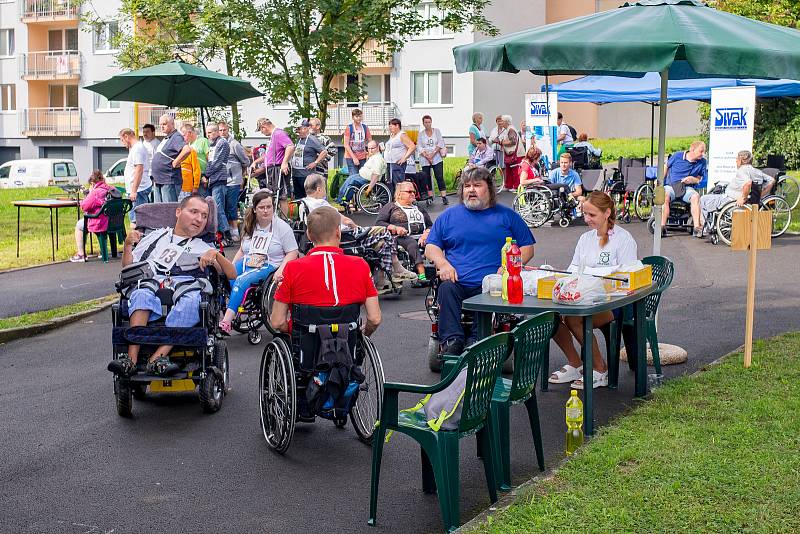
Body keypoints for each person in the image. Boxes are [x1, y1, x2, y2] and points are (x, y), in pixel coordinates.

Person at [108, 195, 237, 378]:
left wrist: (216, 255)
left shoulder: (204, 246)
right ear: (178, 212)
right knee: (140, 294)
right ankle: (131, 359)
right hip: (150, 284)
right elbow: (129, 267)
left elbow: (231, 274)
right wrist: (128, 246)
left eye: (204, 215)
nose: (199, 219)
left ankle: (157, 357)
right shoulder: (155, 237)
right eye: (194, 212)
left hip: (185, 289)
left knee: (193, 300)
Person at [425, 167, 535, 355]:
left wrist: (508, 267)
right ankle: (452, 342)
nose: (471, 190)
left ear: (489, 189)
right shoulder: (449, 216)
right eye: (467, 186)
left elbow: (527, 248)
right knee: (445, 288)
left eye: (477, 185)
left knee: (489, 294)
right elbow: (431, 247)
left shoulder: (506, 216)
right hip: (457, 281)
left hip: (492, 284)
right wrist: (442, 264)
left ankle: (477, 340)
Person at [548, 191, 638, 390]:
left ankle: (600, 369)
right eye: (585, 214)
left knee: (574, 318)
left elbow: (626, 278)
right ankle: (575, 363)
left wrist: (592, 277)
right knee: (551, 315)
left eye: (592, 215)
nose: (586, 219)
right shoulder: (585, 239)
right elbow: (573, 269)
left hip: (614, 302)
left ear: (607, 213)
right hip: (583, 297)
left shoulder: (624, 239)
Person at [270, 205, 381, 338]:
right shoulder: (361, 265)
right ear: (338, 232)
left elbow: (277, 322)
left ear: (309, 235)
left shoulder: (292, 268)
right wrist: (364, 334)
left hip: (306, 342)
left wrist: (290, 330)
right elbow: (374, 318)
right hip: (347, 339)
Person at [303, 174, 417, 294]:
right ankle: (395, 268)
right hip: (347, 235)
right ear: (319, 189)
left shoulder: (304, 203)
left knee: (382, 243)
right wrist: (357, 227)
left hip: (329, 235)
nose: (325, 192)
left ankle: (382, 280)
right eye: (324, 189)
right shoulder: (321, 203)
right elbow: (346, 221)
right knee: (383, 232)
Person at [218, 189, 299, 334]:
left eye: (269, 207)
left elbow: (292, 252)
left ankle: (226, 321)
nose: (266, 211)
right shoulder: (250, 224)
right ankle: (234, 304)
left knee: (241, 280)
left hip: (269, 264)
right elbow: (243, 250)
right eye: (262, 207)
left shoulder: (282, 228)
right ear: (255, 209)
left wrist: (281, 269)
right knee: (225, 275)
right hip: (249, 260)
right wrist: (230, 266)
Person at [699, 149, 771, 236]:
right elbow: (771, 180)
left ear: (741, 160)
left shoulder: (742, 170)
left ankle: (705, 228)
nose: (736, 160)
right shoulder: (756, 171)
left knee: (703, 199)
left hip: (730, 199)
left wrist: (743, 197)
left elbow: (748, 183)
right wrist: (760, 195)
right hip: (741, 199)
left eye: (737, 158)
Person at [376, 182, 433, 282]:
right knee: (412, 244)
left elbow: (430, 225)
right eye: (409, 191)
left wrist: (426, 234)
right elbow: (379, 222)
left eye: (414, 192)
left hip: (421, 237)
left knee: (437, 243)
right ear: (399, 194)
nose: (412, 194)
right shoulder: (391, 207)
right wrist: (395, 228)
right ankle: (422, 275)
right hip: (401, 237)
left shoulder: (419, 208)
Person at [662, 140, 707, 237]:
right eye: (701, 151)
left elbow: (702, 179)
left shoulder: (702, 162)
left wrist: (693, 179)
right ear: (692, 149)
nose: (703, 154)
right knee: (665, 195)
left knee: (695, 196)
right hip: (672, 186)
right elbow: (666, 167)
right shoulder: (677, 156)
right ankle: (662, 226)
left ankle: (696, 228)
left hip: (687, 188)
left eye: (704, 151)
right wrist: (660, 182)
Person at [250, 118, 293, 214]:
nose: (261, 132)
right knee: (273, 196)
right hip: (271, 169)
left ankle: (283, 221)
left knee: (282, 196)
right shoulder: (273, 136)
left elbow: (290, 146)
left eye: (261, 130)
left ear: (264, 126)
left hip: (278, 168)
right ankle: (275, 218)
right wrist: (256, 162)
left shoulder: (278, 133)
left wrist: (284, 162)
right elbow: (268, 154)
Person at [70, 171, 115, 262]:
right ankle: (108, 252)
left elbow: (84, 206)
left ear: (92, 183)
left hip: (100, 222)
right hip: (113, 221)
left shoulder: (95, 192)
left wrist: (89, 194)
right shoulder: (111, 188)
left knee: (79, 225)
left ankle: (81, 254)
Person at [219, 121, 250, 241]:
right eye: (220, 130)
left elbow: (245, 161)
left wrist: (241, 174)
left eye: (224, 130)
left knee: (232, 206)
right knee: (223, 206)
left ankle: (235, 230)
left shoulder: (234, 144)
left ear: (228, 130)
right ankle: (226, 231)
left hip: (233, 181)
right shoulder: (217, 144)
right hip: (221, 180)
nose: (222, 132)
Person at [151, 114, 188, 203]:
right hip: (159, 180)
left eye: (164, 124)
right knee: (159, 210)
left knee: (169, 210)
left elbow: (187, 150)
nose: (161, 127)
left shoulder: (176, 137)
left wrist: (176, 162)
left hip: (169, 180)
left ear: (172, 124)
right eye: (160, 124)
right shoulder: (167, 138)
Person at [118, 127, 152, 224]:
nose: (123, 143)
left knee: (137, 221)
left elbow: (139, 169)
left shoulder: (137, 149)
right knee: (139, 219)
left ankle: (138, 239)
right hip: (139, 189)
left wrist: (133, 191)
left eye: (122, 140)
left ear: (126, 136)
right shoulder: (136, 148)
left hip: (139, 190)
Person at [336, 140, 385, 205]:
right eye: (369, 148)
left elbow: (376, 174)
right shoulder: (374, 156)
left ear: (378, 147)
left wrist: (369, 189)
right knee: (350, 180)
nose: (370, 150)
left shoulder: (378, 159)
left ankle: (341, 200)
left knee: (350, 181)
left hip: (367, 179)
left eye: (372, 148)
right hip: (363, 176)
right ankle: (342, 199)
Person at [287, 119, 326, 200]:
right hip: (296, 174)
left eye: (299, 129)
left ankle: (309, 212)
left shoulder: (312, 139)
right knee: (298, 198)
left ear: (306, 128)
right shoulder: (298, 139)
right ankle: (300, 212)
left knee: (308, 197)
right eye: (296, 129)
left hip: (306, 174)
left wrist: (315, 162)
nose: (297, 131)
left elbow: (324, 152)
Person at [205, 123, 231, 241]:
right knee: (214, 206)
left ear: (216, 132)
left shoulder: (222, 143)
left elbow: (217, 162)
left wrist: (206, 174)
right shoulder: (213, 144)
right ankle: (219, 232)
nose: (208, 135)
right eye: (207, 133)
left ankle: (226, 234)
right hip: (213, 178)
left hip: (219, 177)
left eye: (210, 132)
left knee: (218, 206)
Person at [418, 115, 448, 204]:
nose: (427, 124)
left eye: (429, 122)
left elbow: (440, 143)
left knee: (439, 176)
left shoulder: (437, 131)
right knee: (426, 177)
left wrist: (432, 155)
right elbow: (419, 146)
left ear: (431, 122)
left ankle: (444, 196)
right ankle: (430, 196)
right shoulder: (421, 134)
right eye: (426, 122)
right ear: (423, 123)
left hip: (436, 157)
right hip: (425, 158)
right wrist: (427, 156)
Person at [384, 118, 416, 193]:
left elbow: (412, 146)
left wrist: (404, 158)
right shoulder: (392, 135)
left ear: (397, 126)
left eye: (391, 126)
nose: (390, 128)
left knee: (398, 183)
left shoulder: (402, 135)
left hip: (397, 163)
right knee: (390, 183)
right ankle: (394, 199)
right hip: (390, 162)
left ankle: (400, 200)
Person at [342, 108, 372, 176]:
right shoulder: (349, 128)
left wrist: (369, 153)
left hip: (362, 156)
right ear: (353, 117)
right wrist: (354, 158)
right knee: (354, 176)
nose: (359, 118)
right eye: (357, 116)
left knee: (363, 176)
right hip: (351, 157)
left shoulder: (365, 127)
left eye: (360, 116)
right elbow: (346, 144)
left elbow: (370, 141)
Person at [178, 124, 201, 201]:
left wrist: (195, 186)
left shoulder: (191, 152)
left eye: (183, 136)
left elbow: (196, 170)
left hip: (187, 188)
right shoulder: (175, 152)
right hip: (176, 186)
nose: (182, 139)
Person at [500, 115, 521, 191]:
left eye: (502, 121)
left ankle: (515, 186)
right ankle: (508, 186)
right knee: (508, 170)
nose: (500, 122)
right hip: (510, 153)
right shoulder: (507, 129)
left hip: (516, 154)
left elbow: (513, 141)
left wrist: (503, 142)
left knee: (515, 170)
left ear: (506, 122)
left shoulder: (511, 129)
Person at [489, 115, 507, 184]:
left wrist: (500, 141)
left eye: (501, 121)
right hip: (494, 149)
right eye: (498, 121)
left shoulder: (505, 130)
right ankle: (492, 181)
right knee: (493, 165)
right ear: (496, 122)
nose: (500, 122)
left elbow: (506, 139)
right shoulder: (494, 129)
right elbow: (490, 139)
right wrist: (493, 140)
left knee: (502, 166)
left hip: (502, 150)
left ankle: (504, 183)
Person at [142, 123, 159, 188]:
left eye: (147, 132)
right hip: (144, 174)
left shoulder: (157, 144)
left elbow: (157, 161)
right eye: (144, 132)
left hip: (152, 175)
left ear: (153, 132)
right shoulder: (143, 143)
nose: (145, 134)